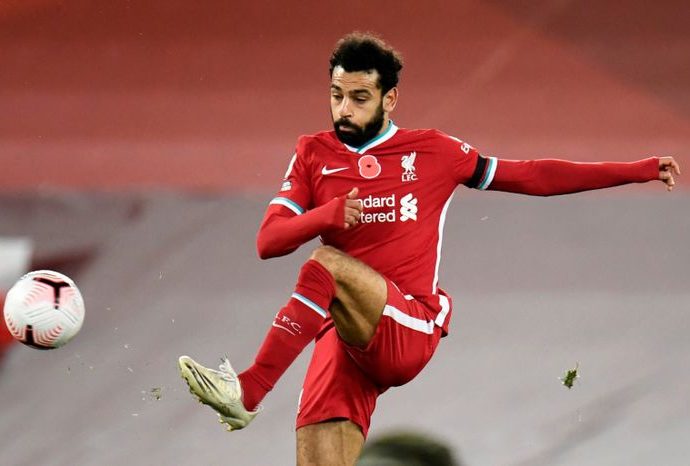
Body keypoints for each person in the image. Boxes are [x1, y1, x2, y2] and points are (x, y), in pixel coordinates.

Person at [178, 32, 680, 465]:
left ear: (389, 99)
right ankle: (250, 392)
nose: (344, 109)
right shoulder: (313, 153)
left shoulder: (434, 151)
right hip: (344, 335)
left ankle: (249, 390)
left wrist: (636, 169)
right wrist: (325, 216)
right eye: (336, 95)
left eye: (358, 97)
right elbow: (268, 242)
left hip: (408, 324)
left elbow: (533, 176)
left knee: (326, 263)